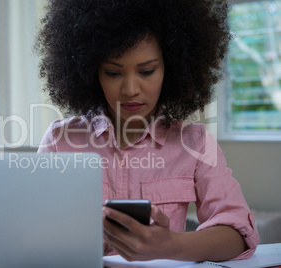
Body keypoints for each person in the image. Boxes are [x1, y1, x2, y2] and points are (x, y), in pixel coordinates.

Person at [35, 0, 260, 262]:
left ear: (172, 67)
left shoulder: (196, 144)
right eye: (113, 72)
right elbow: (32, 230)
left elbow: (238, 232)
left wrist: (171, 245)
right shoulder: (60, 141)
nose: (130, 89)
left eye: (147, 71)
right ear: (91, 72)